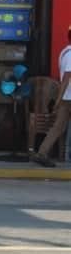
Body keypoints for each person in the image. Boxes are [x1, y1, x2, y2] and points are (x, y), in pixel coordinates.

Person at [31, 25, 71, 168]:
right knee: (58, 127)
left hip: (66, 97)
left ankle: (41, 153)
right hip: (68, 98)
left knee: (58, 127)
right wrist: (58, 101)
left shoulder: (64, 52)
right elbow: (66, 80)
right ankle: (42, 154)